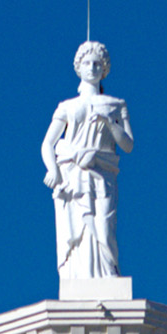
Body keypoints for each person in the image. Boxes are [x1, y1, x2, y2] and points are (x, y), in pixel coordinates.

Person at [43, 40, 132, 298]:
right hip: (73, 176)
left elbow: (127, 144)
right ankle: (76, 275)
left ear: (104, 69)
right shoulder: (67, 106)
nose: (92, 67)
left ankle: (108, 271)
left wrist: (110, 123)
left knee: (103, 228)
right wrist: (53, 170)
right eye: (86, 63)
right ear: (78, 67)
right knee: (78, 230)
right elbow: (48, 144)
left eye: (97, 64)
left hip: (103, 172)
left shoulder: (116, 104)